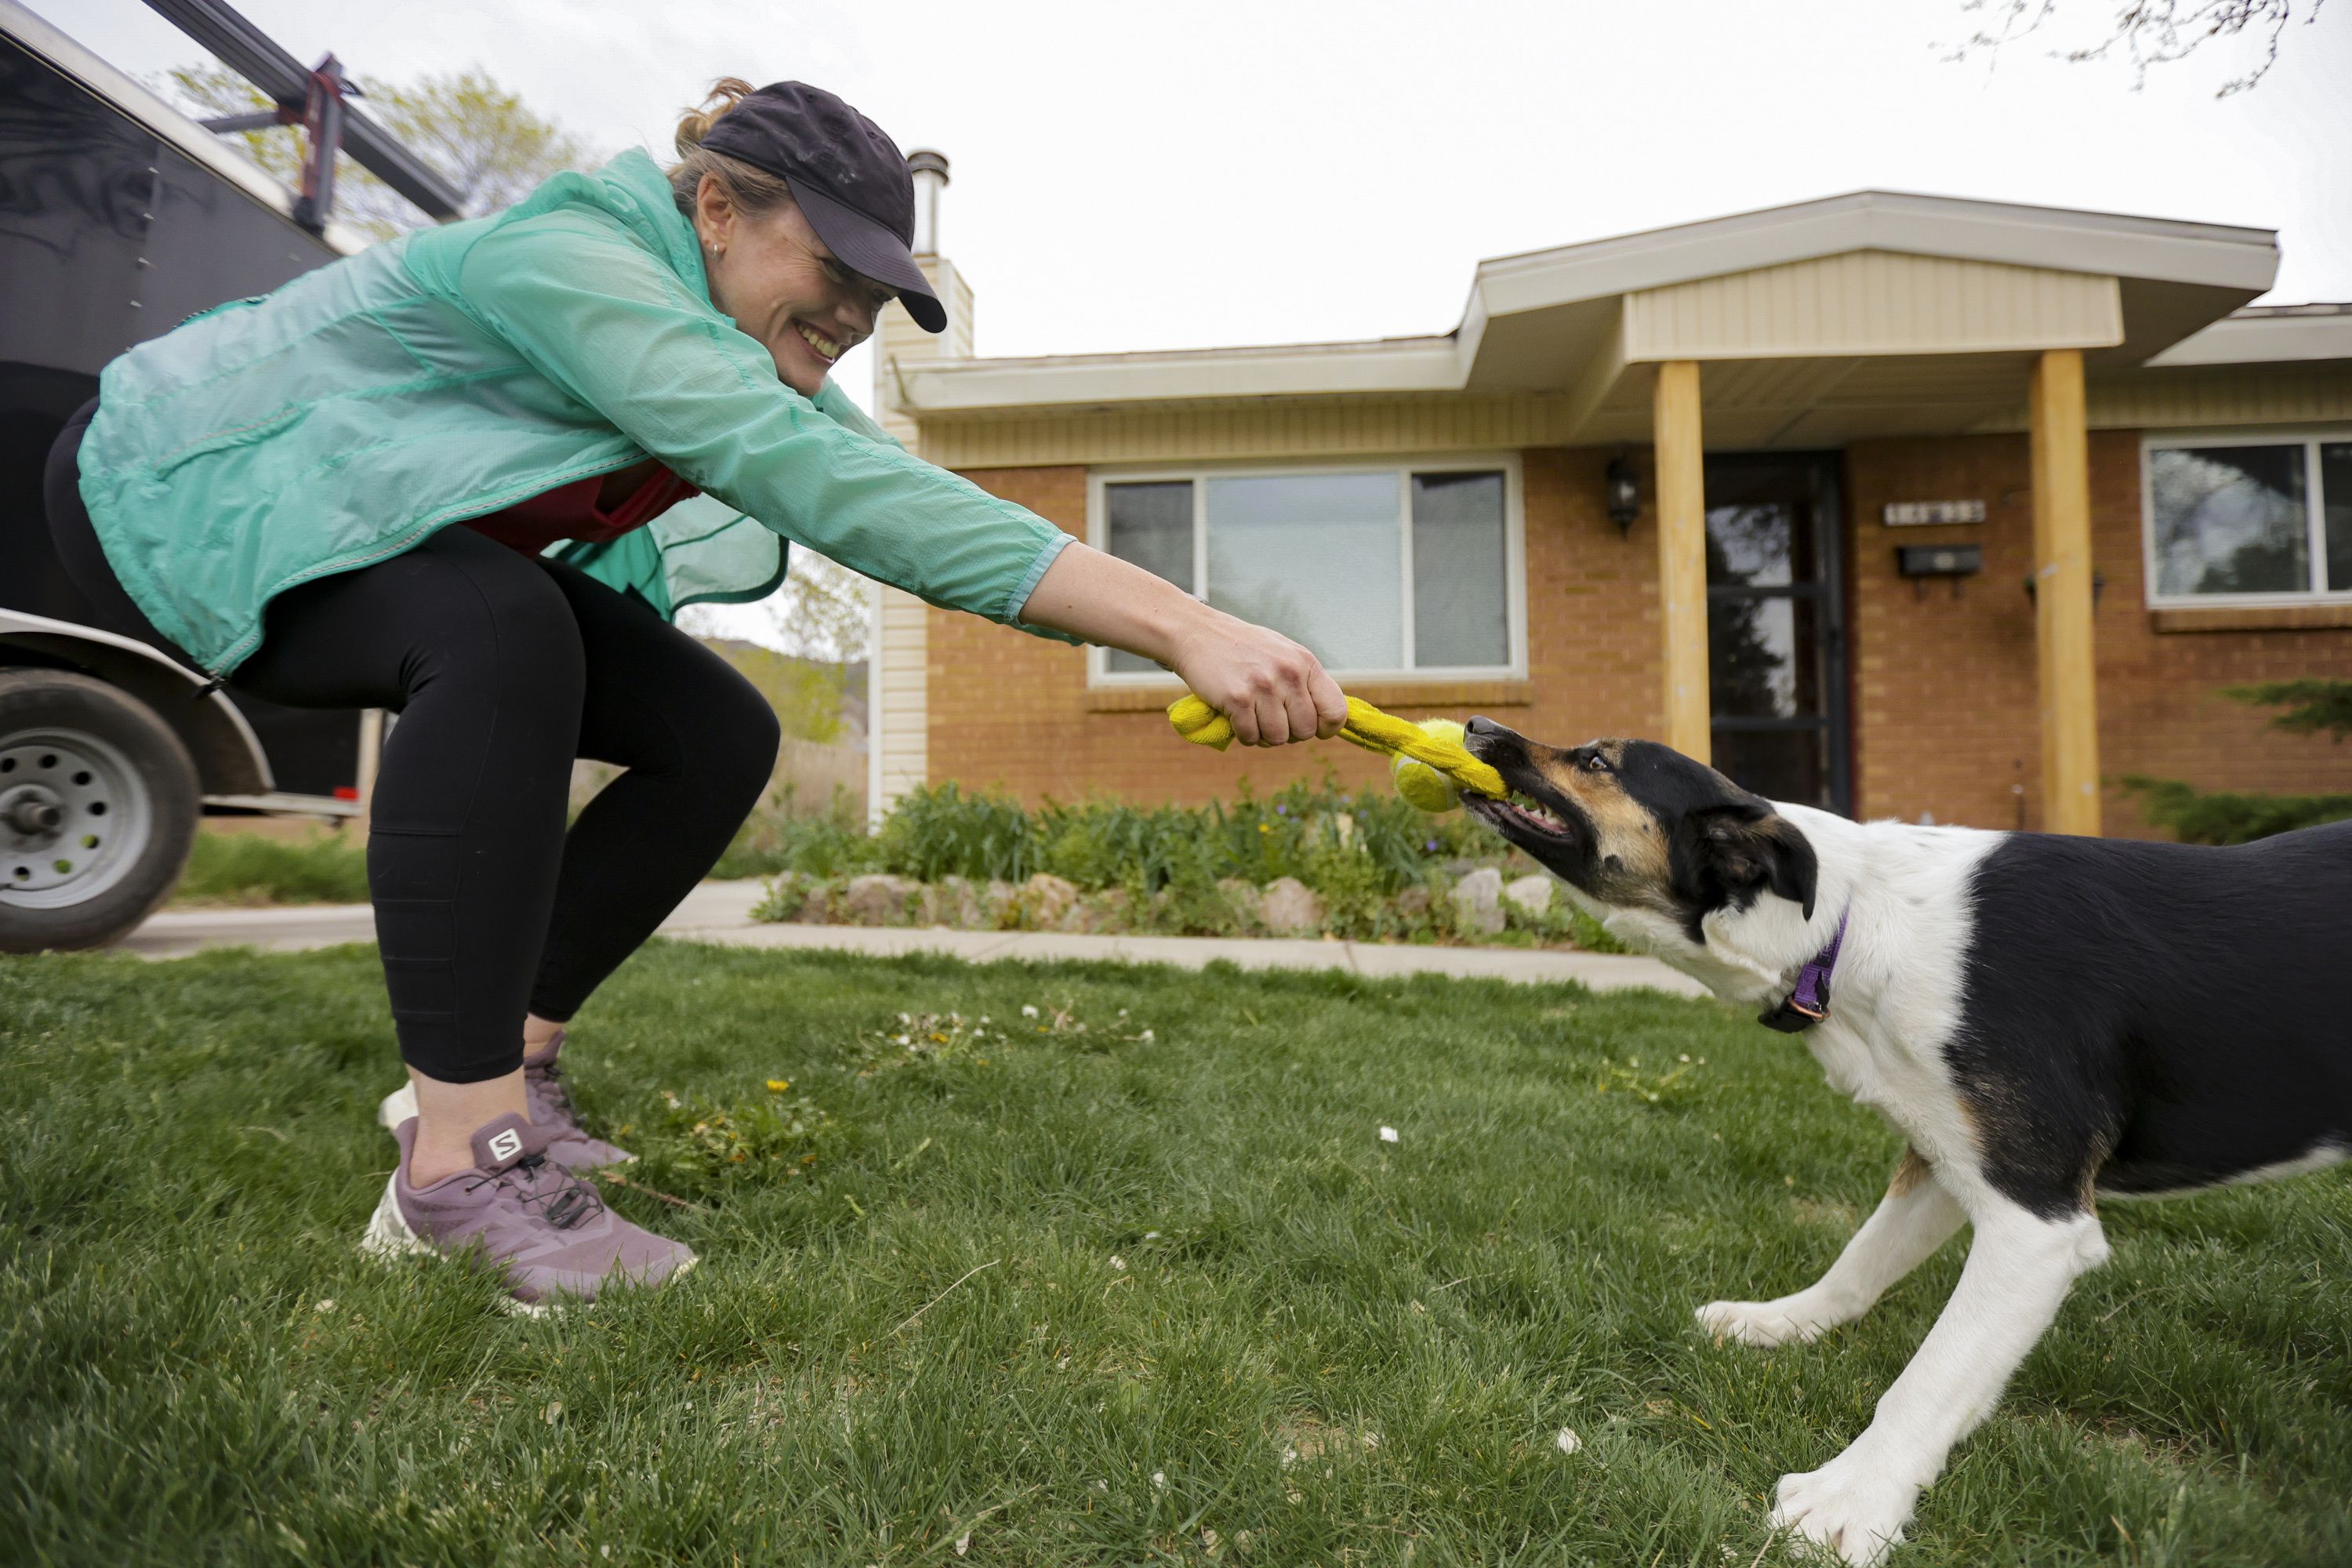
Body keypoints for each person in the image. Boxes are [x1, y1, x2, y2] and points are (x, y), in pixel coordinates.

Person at [45, 78, 1344, 1314]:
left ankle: (519, 1065)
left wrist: (1188, 622)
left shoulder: (737, 354)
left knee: (715, 731)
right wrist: (1183, 625)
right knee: (502, 631)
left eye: (877, 293)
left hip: (357, 531)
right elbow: (808, 477)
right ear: (718, 209)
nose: (850, 315)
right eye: (833, 270)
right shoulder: (571, 261)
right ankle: (453, 1168)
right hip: (175, 488)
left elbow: (906, 492)